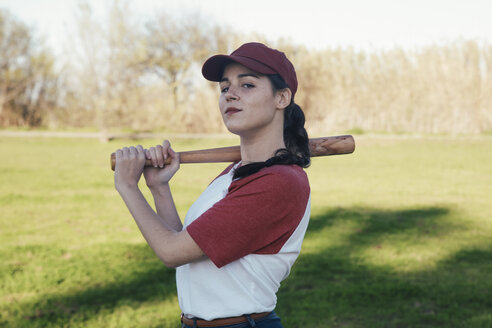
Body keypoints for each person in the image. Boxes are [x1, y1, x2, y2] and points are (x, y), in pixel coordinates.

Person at [114, 42, 311, 328]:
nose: (230, 94)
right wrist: (158, 187)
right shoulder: (237, 172)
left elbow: (170, 252)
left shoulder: (279, 183)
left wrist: (128, 187)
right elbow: (186, 249)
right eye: (224, 88)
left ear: (281, 98)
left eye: (247, 85)